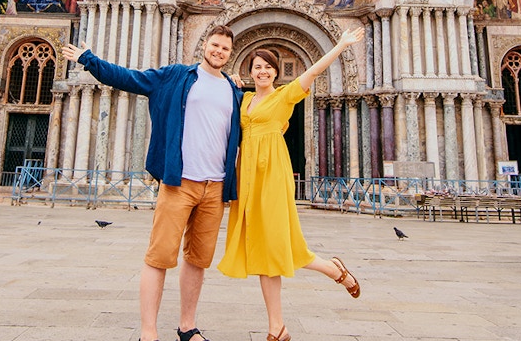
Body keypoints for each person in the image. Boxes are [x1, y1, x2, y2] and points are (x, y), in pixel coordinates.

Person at [65, 26, 242, 341]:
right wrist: (88, 60)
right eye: (215, 45)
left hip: (215, 187)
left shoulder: (233, 91)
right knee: (159, 256)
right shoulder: (175, 76)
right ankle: (148, 332)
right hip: (179, 183)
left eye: (225, 48)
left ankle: (187, 327)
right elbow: (130, 78)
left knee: (198, 260)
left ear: (231, 54)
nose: (219, 51)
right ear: (204, 45)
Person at [218, 28, 365, 341]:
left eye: (268, 67)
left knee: (273, 241)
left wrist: (340, 45)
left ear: (275, 72)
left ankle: (331, 272)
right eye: (257, 66)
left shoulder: (285, 96)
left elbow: (313, 70)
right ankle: (280, 325)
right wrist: (228, 79)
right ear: (250, 69)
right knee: (262, 248)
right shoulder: (243, 100)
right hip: (248, 175)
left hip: (273, 173)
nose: (263, 71)